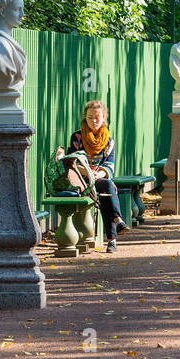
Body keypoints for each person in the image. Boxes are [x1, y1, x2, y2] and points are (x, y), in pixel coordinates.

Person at [66, 100, 129, 252]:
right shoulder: (77, 137)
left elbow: (109, 165)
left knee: (105, 190)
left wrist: (97, 174)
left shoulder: (108, 140)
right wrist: (88, 172)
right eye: (90, 117)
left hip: (99, 178)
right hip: (81, 179)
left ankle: (114, 235)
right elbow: (71, 162)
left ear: (103, 118)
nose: (94, 121)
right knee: (107, 190)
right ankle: (115, 231)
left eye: (97, 117)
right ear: (84, 118)